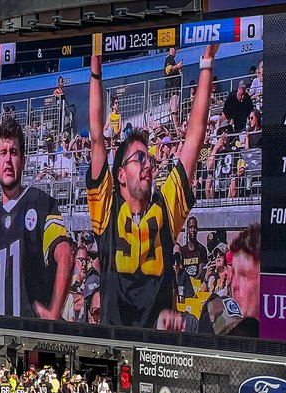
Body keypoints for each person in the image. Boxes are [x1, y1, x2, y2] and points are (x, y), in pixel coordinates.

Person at [87, 44, 218, 328]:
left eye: (149, 158)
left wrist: (206, 63)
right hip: (115, 348)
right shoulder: (106, 209)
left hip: (156, 356)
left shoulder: (166, 206)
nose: (149, 163)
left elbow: (193, 141)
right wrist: (95, 70)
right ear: (120, 175)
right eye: (139, 158)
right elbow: (98, 138)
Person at [0, 117, 74, 319]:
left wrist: (54, 312)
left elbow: (65, 255)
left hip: (31, 343)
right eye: (3, 153)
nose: (7, 160)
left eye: (13, 152)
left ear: (23, 161)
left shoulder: (41, 204)